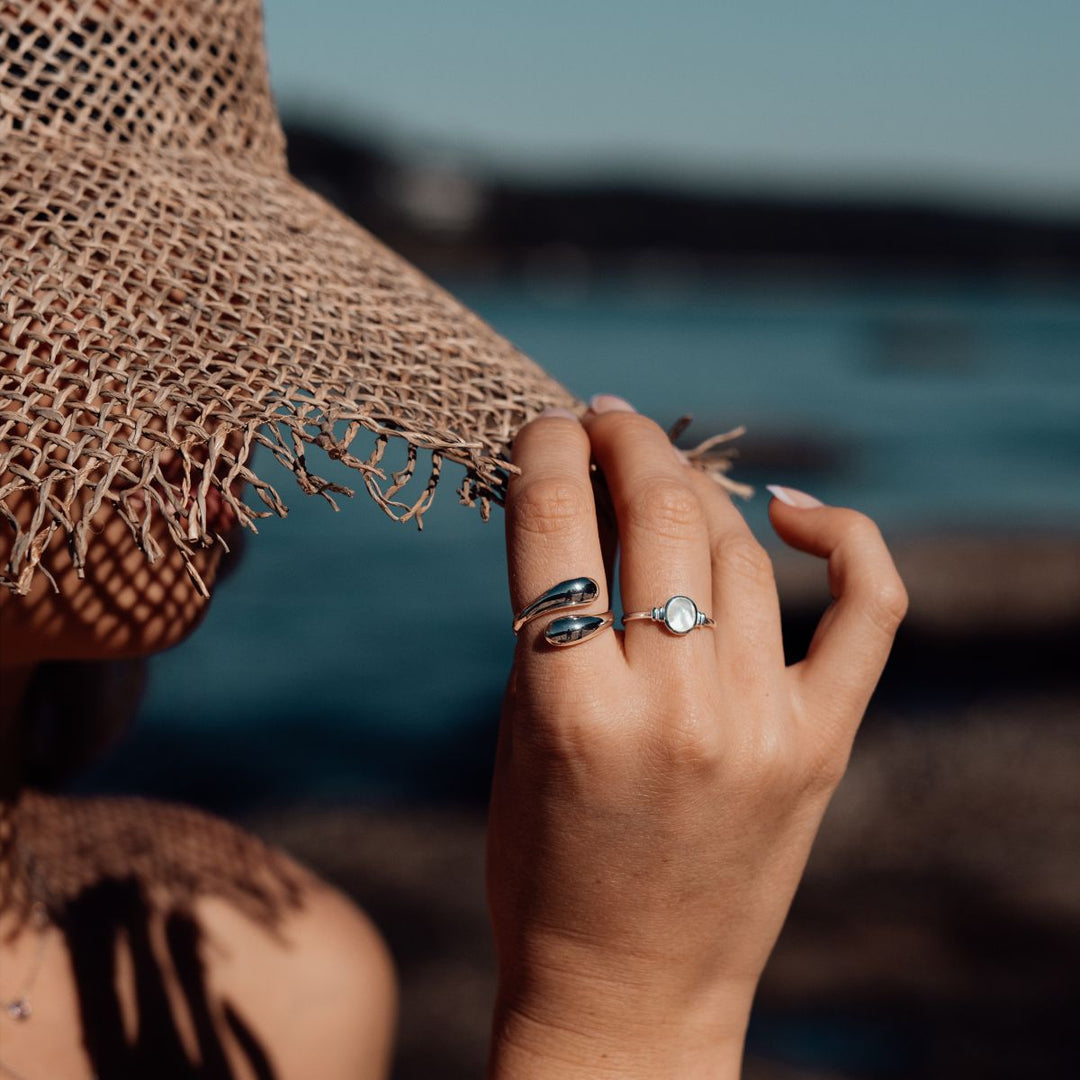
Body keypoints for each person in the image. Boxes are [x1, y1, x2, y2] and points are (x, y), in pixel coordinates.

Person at [0, 2, 907, 1077]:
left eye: (221, 273)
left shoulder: (258, 975)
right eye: (69, 240)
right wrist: (631, 1016)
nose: (232, 346)